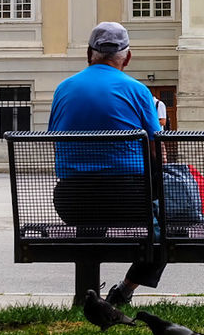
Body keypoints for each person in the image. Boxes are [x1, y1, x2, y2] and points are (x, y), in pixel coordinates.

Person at [48, 22, 164, 307]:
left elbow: (55, 139)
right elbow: (155, 146)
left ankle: (86, 293)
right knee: (165, 233)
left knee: (91, 218)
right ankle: (123, 291)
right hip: (127, 200)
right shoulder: (137, 91)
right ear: (127, 57)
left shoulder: (64, 89)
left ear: (89, 53)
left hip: (71, 201)